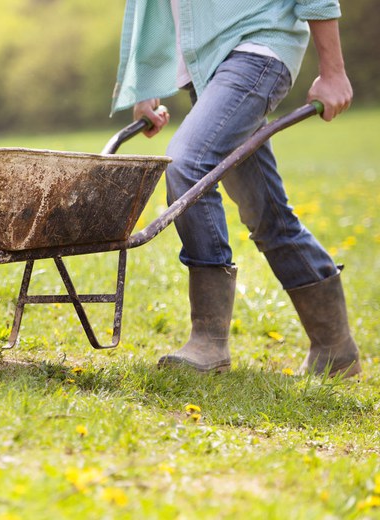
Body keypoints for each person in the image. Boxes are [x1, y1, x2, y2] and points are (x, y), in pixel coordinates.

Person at [111, 0, 361, 377]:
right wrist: (144, 87)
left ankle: (208, 341)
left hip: (257, 49)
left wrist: (334, 71)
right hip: (204, 68)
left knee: (188, 165)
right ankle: (335, 349)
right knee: (266, 211)